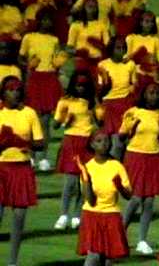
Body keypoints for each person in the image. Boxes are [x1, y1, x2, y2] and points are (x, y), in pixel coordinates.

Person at [120, 83, 159, 255]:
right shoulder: (133, 112)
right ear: (144, 94)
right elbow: (121, 137)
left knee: (149, 201)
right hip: (135, 157)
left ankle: (142, 240)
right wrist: (128, 126)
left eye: (156, 93)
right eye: (150, 92)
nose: (154, 96)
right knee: (135, 199)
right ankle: (120, 234)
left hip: (153, 157)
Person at [0, 76, 44, 265]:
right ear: (3, 92)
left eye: (18, 89)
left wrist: (23, 142)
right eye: (10, 89)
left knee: (19, 218)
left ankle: (12, 262)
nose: (15, 93)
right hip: (1, 168)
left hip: (22, 169)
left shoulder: (29, 113)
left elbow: (41, 143)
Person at [76, 129, 131, 265]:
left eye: (106, 140)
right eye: (99, 141)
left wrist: (119, 186)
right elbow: (91, 201)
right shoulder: (87, 167)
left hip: (111, 216)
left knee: (108, 260)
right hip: (92, 216)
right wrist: (86, 179)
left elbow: (128, 195)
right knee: (93, 257)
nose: (104, 144)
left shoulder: (117, 166)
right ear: (92, 145)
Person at [18, 6, 63, 171]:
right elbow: (20, 58)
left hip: (49, 78)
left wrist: (59, 64)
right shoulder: (29, 38)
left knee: (45, 121)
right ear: (38, 21)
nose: (46, 23)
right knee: (31, 119)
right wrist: (28, 65)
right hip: (35, 79)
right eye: (44, 19)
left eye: (49, 20)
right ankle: (30, 155)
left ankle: (43, 157)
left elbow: (57, 61)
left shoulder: (54, 40)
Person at [53, 71, 97, 230]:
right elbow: (55, 125)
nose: (81, 88)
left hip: (87, 142)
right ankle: (63, 214)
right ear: (73, 85)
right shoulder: (65, 101)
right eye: (78, 85)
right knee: (70, 182)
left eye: (84, 86)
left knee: (83, 181)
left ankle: (76, 215)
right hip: (71, 141)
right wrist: (65, 120)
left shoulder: (91, 102)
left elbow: (99, 122)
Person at [97, 37, 136, 160]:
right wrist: (105, 82)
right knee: (116, 142)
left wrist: (132, 88)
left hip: (126, 103)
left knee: (126, 141)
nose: (121, 51)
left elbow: (134, 83)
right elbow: (100, 90)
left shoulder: (130, 64)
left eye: (123, 48)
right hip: (109, 105)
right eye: (118, 48)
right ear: (111, 50)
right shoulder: (103, 65)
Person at [67, 0, 111, 76]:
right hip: (81, 60)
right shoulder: (75, 25)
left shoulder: (102, 25)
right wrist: (78, 52)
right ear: (83, 7)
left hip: (98, 60)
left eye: (94, 7)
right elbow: (69, 49)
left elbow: (108, 46)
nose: (91, 9)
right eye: (89, 6)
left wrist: (99, 46)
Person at [125, 11, 159, 93]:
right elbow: (124, 60)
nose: (149, 24)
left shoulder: (155, 40)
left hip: (150, 73)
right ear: (141, 22)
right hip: (133, 73)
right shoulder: (130, 38)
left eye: (151, 22)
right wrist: (137, 55)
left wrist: (150, 65)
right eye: (147, 21)